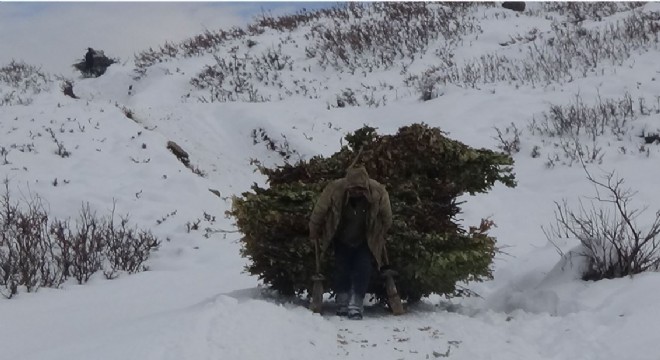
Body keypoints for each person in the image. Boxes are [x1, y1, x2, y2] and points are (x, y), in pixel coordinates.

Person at [309, 166, 392, 320]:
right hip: (340, 235)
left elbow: (387, 216)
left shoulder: (378, 192)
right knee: (342, 267)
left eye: (360, 189)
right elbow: (319, 210)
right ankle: (342, 301)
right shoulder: (334, 189)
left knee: (364, 267)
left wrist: (382, 232)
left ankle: (356, 304)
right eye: (353, 189)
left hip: (366, 237)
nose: (356, 192)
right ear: (347, 186)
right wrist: (314, 229)